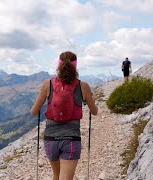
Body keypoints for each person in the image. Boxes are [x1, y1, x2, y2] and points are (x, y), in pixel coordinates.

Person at [30, 51, 98, 180]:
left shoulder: (47, 84)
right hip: (71, 139)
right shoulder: (83, 86)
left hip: (51, 139)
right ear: (75, 66)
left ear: (59, 65)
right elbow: (94, 111)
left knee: (56, 175)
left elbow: (33, 111)